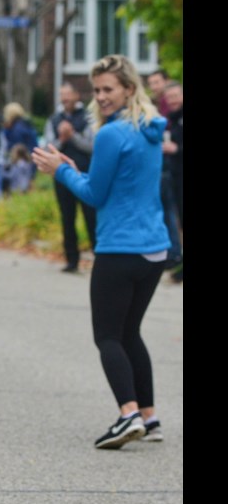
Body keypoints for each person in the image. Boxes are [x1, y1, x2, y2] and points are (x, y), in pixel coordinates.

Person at [32, 54, 171, 449]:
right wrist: (72, 167)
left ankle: (127, 414)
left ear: (129, 88)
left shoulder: (111, 133)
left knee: (108, 335)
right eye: (96, 89)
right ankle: (149, 414)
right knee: (131, 332)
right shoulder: (149, 128)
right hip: (154, 249)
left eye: (109, 88)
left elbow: (94, 194)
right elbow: (115, 183)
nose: (102, 96)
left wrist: (59, 170)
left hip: (120, 248)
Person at [43, 82, 97, 273]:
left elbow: (92, 146)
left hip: (85, 173)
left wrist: (72, 135)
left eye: (68, 95)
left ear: (76, 96)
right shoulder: (54, 119)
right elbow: (47, 147)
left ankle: (98, 256)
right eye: (62, 95)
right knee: (67, 217)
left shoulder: (88, 117)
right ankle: (71, 259)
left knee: (91, 216)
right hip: (61, 176)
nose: (65, 99)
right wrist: (62, 139)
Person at [162, 82, 183, 283]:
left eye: (176, 96)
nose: (173, 100)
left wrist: (176, 149)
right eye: (169, 97)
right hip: (175, 176)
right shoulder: (173, 119)